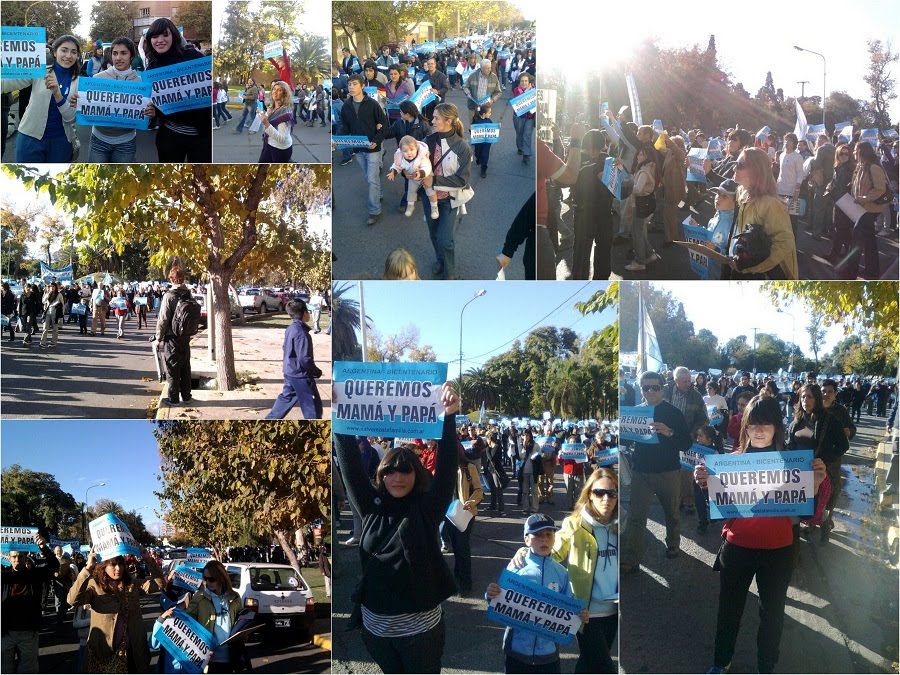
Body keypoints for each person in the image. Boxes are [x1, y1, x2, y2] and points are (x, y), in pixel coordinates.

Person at [695, 396, 828, 674]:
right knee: (729, 610)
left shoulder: (795, 464)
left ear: (776, 428)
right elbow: (718, 506)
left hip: (778, 550)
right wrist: (704, 484)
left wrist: (815, 482)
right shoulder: (729, 463)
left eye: (765, 424)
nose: (758, 430)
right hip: (738, 547)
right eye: (753, 424)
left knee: (772, 614)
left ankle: (766, 666)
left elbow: (806, 514)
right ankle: (721, 662)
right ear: (744, 426)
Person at [334, 384, 460, 673]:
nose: (397, 477)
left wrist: (450, 416)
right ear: (381, 474)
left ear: (417, 475)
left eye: (406, 470)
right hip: (376, 632)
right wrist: (339, 416)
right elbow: (351, 466)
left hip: (421, 634)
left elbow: (447, 468)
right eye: (390, 470)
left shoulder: (428, 508)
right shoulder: (370, 505)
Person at [485, 513, 591, 674]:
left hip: (548, 653)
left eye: (549, 535)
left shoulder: (561, 573)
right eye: (538, 535)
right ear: (527, 539)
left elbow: (570, 605)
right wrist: (491, 594)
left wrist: (580, 614)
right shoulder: (517, 567)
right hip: (517, 651)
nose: (544, 539)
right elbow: (499, 600)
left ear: (555, 538)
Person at [621, 370, 692, 571]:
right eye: (646, 387)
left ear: (663, 389)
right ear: (641, 389)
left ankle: (673, 544)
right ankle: (632, 558)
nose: (650, 391)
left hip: (668, 471)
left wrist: (668, 432)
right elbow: (625, 440)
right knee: (636, 516)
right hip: (641, 472)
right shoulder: (635, 413)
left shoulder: (673, 413)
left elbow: (686, 444)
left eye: (655, 387)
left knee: (671, 512)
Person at [554, 468, 618, 673]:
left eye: (612, 493)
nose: (606, 498)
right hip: (585, 613)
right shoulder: (574, 524)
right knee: (605, 667)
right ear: (590, 493)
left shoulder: (620, 525)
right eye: (600, 492)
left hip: (615, 611)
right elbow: (551, 553)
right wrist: (524, 552)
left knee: (590, 663)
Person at [67, 545, 164, 673]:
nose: (118, 569)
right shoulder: (94, 585)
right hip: (104, 653)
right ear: (103, 567)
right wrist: (87, 568)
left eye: (121, 564)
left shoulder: (132, 584)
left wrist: (148, 559)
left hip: (133, 653)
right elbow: (72, 600)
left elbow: (159, 584)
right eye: (113, 565)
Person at [157, 560, 246, 673]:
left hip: (231, 656)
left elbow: (240, 622)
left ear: (221, 577)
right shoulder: (200, 597)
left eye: (211, 579)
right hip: (208, 659)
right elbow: (187, 624)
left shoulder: (234, 597)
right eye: (205, 578)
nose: (208, 582)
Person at [2, 35, 81, 162]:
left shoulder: (78, 82)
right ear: (55, 52)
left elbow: (70, 118)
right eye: (64, 50)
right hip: (30, 138)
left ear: (77, 56)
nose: (68, 55)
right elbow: (7, 83)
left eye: (73, 52)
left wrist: (57, 94)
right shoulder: (40, 70)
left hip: (61, 142)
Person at [143, 17, 211, 161]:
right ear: (150, 40)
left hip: (200, 138)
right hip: (169, 137)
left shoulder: (193, 57)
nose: (160, 40)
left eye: (165, 35)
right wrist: (153, 111)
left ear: (174, 36)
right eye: (155, 36)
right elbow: (153, 102)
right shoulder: (152, 69)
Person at [729, 147, 798, 279]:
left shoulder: (771, 205)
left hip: (764, 274)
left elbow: (784, 243)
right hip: (742, 265)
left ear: (756, 170)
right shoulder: (741, 192)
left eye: (740, 165)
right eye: (735, 164)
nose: (734, 169)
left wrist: (752, 267)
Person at [422, 103, 473, 279]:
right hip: (430, 199)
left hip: (450, 200)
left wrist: (434, 180)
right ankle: (440, 260)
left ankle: (450, 271)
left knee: (445, 238)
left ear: (449, 121)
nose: (432, 120)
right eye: (433, 117)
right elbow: (416, 163)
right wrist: (407, 171)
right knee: (434, 234)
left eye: (436, 118)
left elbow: (462, 179)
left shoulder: (462, 147)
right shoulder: (427, 141)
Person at [83, 37, 153, 162]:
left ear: (132, 56)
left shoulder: (141, 83)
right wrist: (78, 101)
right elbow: (86, 104)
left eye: (123, 53)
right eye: (115, 53)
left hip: (126, 143)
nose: (118, 58)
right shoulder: (97, 79)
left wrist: (151, 113)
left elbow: (147, 113)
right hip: (98, 141)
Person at [1, 534, 60, 674]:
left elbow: (54, 565)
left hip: (28, 633)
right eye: (14, 557)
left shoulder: (35, 575)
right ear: (9, 558)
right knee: (4, 669)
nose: (17, 560)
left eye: (20, 556)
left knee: (28, 670)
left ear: (26, 557)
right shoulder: (3, 576)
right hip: (5, 634)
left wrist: (43, 547)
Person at [340, 74, 389, 227]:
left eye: (354, 84)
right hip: (358, 148)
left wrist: (376, 141)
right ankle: (378, 194)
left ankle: (374, 211)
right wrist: (336, 140)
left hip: (373, 149)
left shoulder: (373, 104)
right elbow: (344, 127)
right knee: (369, 176)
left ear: (362, 86)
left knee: (371, 178)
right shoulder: (346, 106)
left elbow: (384, 124)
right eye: (349, 85)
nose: (351, 87)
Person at [265, 300, 323, 420]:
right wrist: (316, 371)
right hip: (301, 376)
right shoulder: (302, 333)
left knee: (284, 401)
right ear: (304, 313)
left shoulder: (291, 329)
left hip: (290, 372)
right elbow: (305, 359)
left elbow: (285, 348)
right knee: (314, 410)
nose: (309, 314)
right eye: (308, 311)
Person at [843, 139, 888, 279]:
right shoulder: (861, 166)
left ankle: (851, 271)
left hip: (870, 209)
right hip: (862, 208)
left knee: (856, 239)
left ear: (862, 152)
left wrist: (862, 199)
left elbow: (880, 189)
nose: (854, 152)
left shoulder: (874, 167)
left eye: (856, 150)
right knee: (869, 242)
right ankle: (872, 271)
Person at [446, 440, 484, 595]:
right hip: (449, 514)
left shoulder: (469, 467)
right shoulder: (444, 469)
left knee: (462, 547)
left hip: (465, 513)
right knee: (455, 547)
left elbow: (479, 490)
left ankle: (465, 583)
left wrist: (471, 502)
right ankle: (457, 576)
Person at [154, 265, 194, 405]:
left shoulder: (169, 296)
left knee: (172, 368)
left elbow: (163, 319)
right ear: (183, 278)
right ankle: (187, 396)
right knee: (185, 366)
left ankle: (174, 399)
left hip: (172, 337)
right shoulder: (188, 293)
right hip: (186, 336)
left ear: (171, 279)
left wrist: (158, 338)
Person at [623, 143, 661, 272]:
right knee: (639, 231)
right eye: (639, 153)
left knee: (636, 233)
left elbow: (638, 189)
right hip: (644, 204)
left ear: (647, 157)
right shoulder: (649, 168)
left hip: (639, 204)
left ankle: (639, 261)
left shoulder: (644, 171)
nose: (638, 155)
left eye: (641, 154)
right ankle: (650, 255)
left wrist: (627, 187)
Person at [387, 135, 439, 218]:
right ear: (401, 151)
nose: (409, 153)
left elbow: (427, 167)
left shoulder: (421, 157)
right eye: (405, 151)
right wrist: (393, 172)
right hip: (413, 178)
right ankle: (410, 205)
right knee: (410, 191)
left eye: (412, 149)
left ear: (416, 148)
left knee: (430, 191)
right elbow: (397, 165)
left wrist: (421, 173)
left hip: (426, 177)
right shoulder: (401, 158)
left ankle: (434, 207)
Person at [257, 80, 294, 163]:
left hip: (280, 149)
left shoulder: (285, 112)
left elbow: (281, 138)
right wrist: (267, 115)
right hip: (269, 144)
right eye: (274, 89)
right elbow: (266, 127)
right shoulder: (272, 108)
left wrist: (266, 122)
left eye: (279, 90)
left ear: (285, 94)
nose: (275, 92)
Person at [463, 58, 501, 124]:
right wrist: (468, 93)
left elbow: (498, 92)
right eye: (487, 68)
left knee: (484, 126)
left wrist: (493, 100)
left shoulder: (494, 77)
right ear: (481, 68)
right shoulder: (473, 76)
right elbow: (465, 86)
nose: (489, 70)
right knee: (473, 126)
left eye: (490, 67)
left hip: (486, 108)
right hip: (473, 106)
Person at [511, 73, 535, 163]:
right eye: (522, 81)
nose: (524, 83)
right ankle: (520, 147)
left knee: (527, 135)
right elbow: (519, 101)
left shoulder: (534, 90)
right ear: (519, 82)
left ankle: (526, 154)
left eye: (525, 81)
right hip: (518, 117)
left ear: (529, 82)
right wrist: (526, 92)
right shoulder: (517, 90)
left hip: (530, 117)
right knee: (519, 134)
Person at [39, 281, 63, 349]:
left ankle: (53, 342)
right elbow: (43, 301)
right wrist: (48, 294)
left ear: (56, 287)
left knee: (55, 329)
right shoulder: (47, 293)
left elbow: (62, 304)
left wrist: (61, 315)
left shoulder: (59, 295)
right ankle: (42, 342)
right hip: (47, 313)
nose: (52, 288)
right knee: (45, 328)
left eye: (53, 286)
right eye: (50, 286)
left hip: (55, 313)